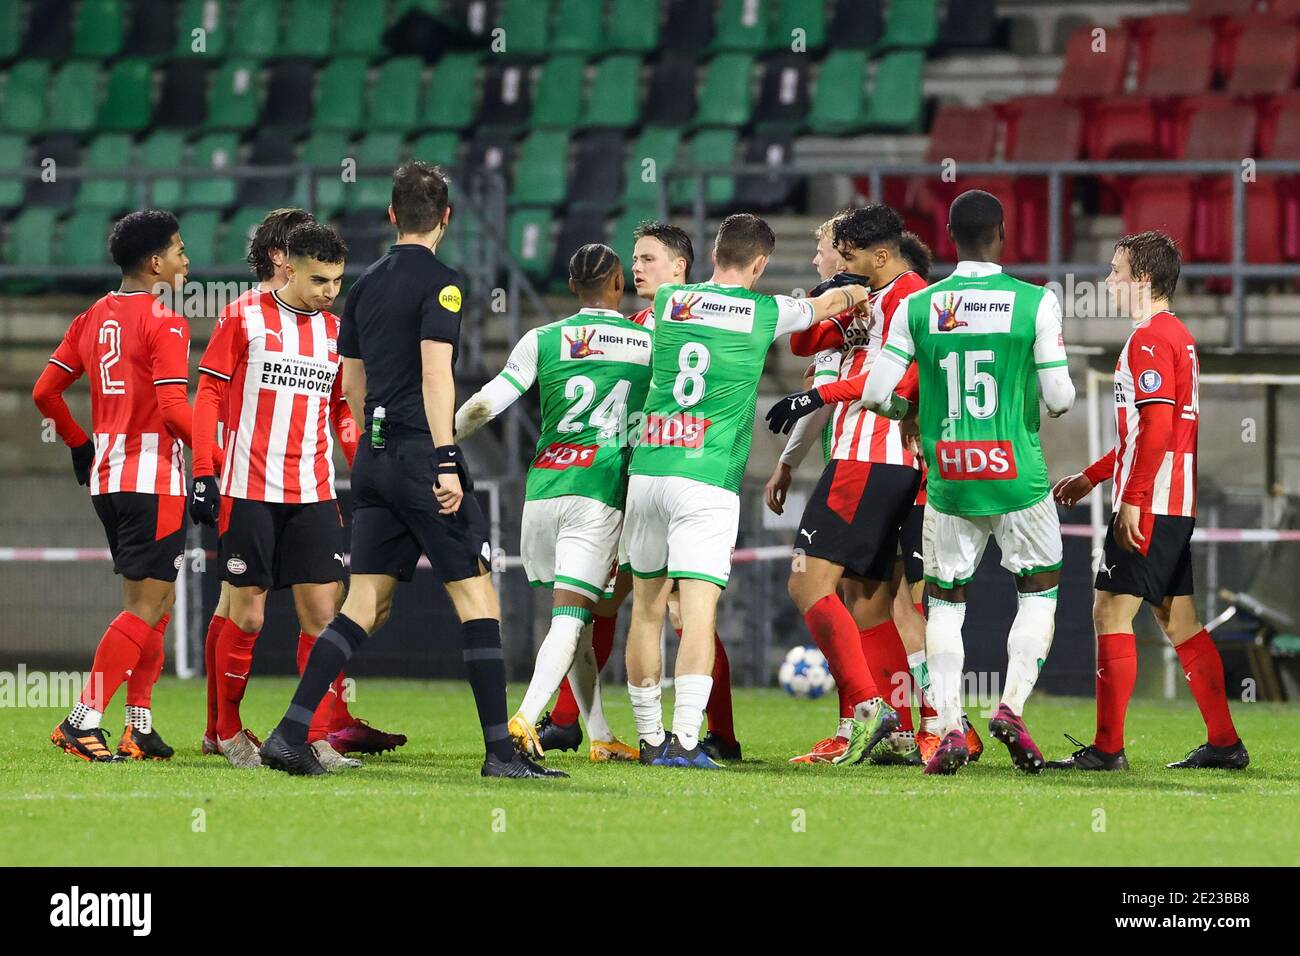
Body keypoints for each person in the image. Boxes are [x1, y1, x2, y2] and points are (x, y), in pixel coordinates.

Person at [258, 160, 559, 778]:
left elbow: (353, 385)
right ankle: (501, 754)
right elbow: (435, 373)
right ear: (446, 218)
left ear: (391, 216)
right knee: (479, 600)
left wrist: (377, 445)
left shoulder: (363, 286)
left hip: (374, 459)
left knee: (363, 603)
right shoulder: (443, 283)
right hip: (426, 458)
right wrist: (447, 458)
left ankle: (290, 733)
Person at [622, 213, 872, 769]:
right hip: (706, 480)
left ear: (712, 256)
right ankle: (687, 742)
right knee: (699, 610)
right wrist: (858, 289)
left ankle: (648, 738)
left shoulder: (668, 303)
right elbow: (826, 308)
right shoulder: (764, 310)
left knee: (645, 611)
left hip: (649, 470)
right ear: (759, 265)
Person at [847, 190, 1075, 775]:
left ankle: (948, 726)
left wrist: (910, 418)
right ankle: (1012, 708)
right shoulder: (1035, 303)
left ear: (948, 237)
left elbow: (875, 393)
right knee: (1038, 591)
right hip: (1017, 477)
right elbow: (1059, 400)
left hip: (948, 475)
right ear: (1002, 234)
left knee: (946, 603)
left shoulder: (919, 306)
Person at [536, 222, 744, 762]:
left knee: (679, 607)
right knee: (613, 602)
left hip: (672, 478)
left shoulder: (680, 324)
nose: (637, 269)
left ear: (681, 268)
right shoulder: (634, 326)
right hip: (636, 483)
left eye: (648, 259)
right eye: (635, 259)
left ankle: (710, 730)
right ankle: (570, 719)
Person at [1047, 231, 1248, 771]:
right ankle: (1225, 743)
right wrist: (1093, 477)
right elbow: (1145, 434)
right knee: (1178, 619)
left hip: (1152, 502)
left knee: (1109, 609)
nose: (1108, 283)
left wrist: (1131, 498)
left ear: (1143, 280)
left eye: (1116, 273)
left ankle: (1108, 750)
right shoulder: (1175, 335)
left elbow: (1157, 427)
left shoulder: (1151, 340)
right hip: (1170, 501)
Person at [456, 244, 649, 763]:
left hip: (542, 492)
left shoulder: (541, 339)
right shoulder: (648, 342)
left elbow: (484, 403)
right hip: (599, 489)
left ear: (570, 285)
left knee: (577, 620)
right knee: (571, 618)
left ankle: (601, 734)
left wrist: (443, 445)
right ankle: (523, 718)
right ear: (617, 284)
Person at [189, 222, 362, 771]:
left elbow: (340, 409)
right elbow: (210, 392)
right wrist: (202, 470)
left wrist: (359, 460)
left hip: (312, 491)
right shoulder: (244, 315)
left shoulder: (337, 332)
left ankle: (311, 735)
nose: (329, 290)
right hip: (248, 489)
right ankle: (226, 731)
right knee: (247, 618)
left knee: (322, 614)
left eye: (336, 279)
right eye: (318, 279)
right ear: (287, 267)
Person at [765, 204, 928, 766]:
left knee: (807, 584)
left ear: (870, 252)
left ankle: (867, 709)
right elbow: (803, 344)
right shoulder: (874, 296)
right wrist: (836, 290)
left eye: (833, 250)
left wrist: (815, 396)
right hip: (874, 457)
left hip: (870, 454)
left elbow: (897, 375)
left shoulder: (908, 295)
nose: (826, 258)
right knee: (868, 606)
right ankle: (897, 730)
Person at [34, 210, 192, 762]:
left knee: (155, 599)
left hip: (108, 477)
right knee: (146, 604)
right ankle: (82, 720)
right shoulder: (167, 321)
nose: (186, 260)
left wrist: (80, 444)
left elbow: (45, 392)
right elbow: (174, 412)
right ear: (155, 263)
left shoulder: (91, 316)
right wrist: (218, 456)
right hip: (154, 478)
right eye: (178, 250)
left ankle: (139, 726)